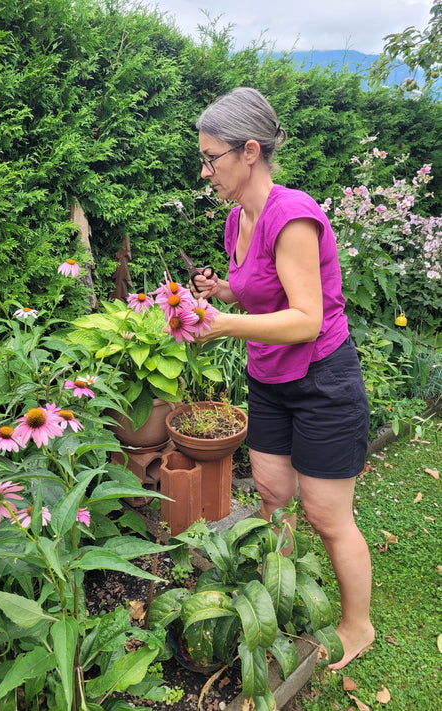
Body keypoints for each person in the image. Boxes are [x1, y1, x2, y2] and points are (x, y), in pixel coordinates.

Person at [191, 86, 375, 670]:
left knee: (326, 516)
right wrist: (220, 292)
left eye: (211, 159)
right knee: (273, 496)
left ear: (249, 151)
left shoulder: (291, 215)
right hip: (270, 381)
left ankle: (357, 624)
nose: (205, 172)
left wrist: (222, 325)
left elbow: (305, 319)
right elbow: (258, 289)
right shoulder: (236, 220)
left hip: (322, 380)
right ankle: (285, 592)